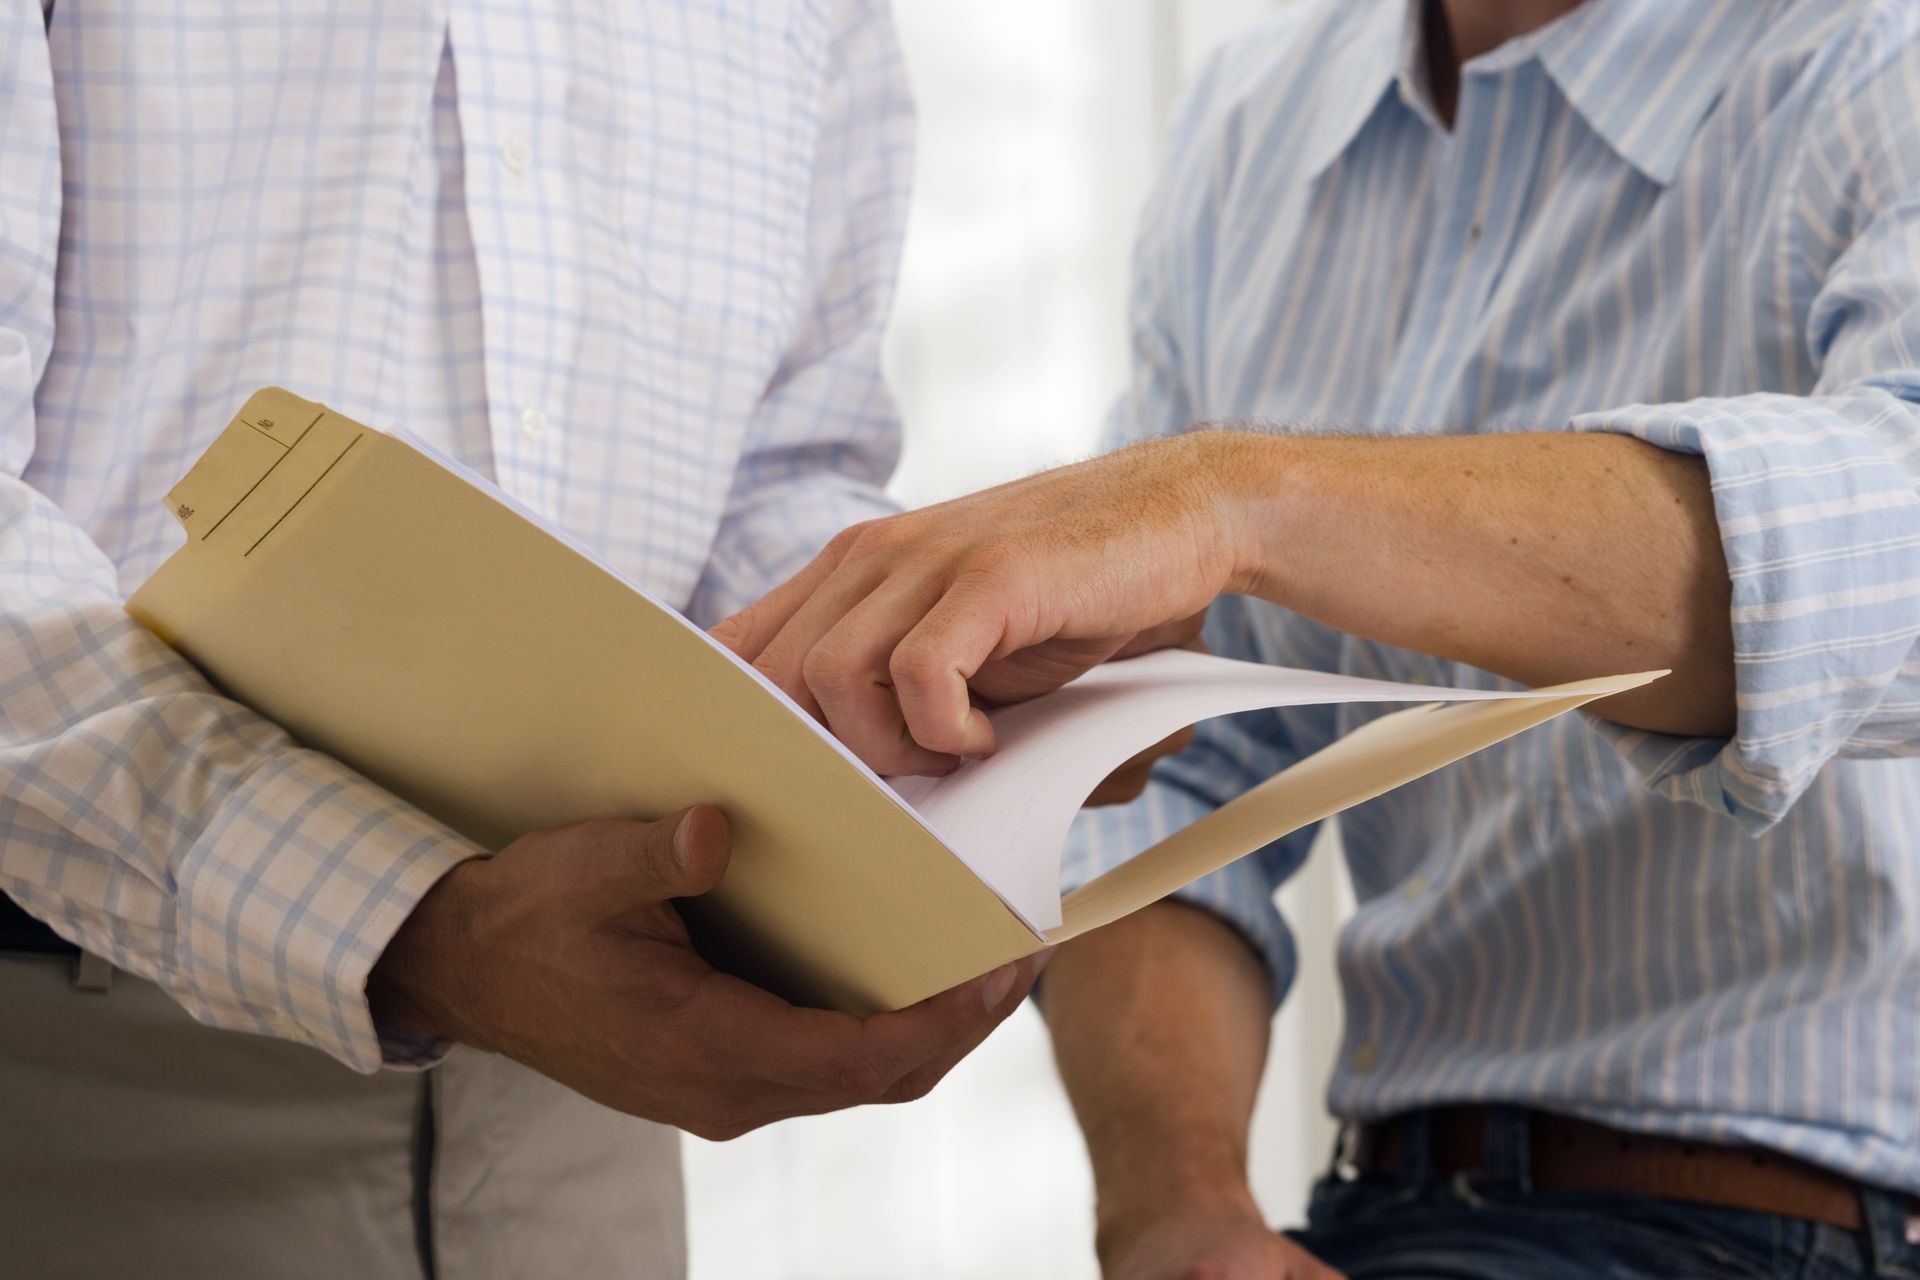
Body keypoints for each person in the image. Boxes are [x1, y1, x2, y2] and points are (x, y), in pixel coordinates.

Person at [716, 0, 1920, 1275]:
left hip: (1819, 1217)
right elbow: (1166, 768)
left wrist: (1241, 499)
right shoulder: (1256, 129)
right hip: (1382, 1206)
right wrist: (1172, 1204)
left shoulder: (1872, 56)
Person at [0, 3, 1039, 1277]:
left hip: (594, 1106)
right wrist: (419, 929)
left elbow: (781, 471)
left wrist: (948, 679)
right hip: (76, 1073)